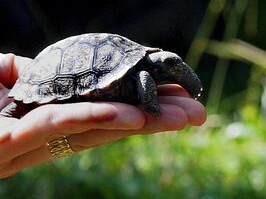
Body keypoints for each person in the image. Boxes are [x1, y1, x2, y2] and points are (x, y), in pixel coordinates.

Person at [0, 52, 207, 178]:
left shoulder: (146, 66)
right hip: (49, 76)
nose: (175, 67)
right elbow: (143, 76)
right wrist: (151, 106)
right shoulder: (143, 73)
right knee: (23, 106)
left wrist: (193, 87)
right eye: (169, 64)